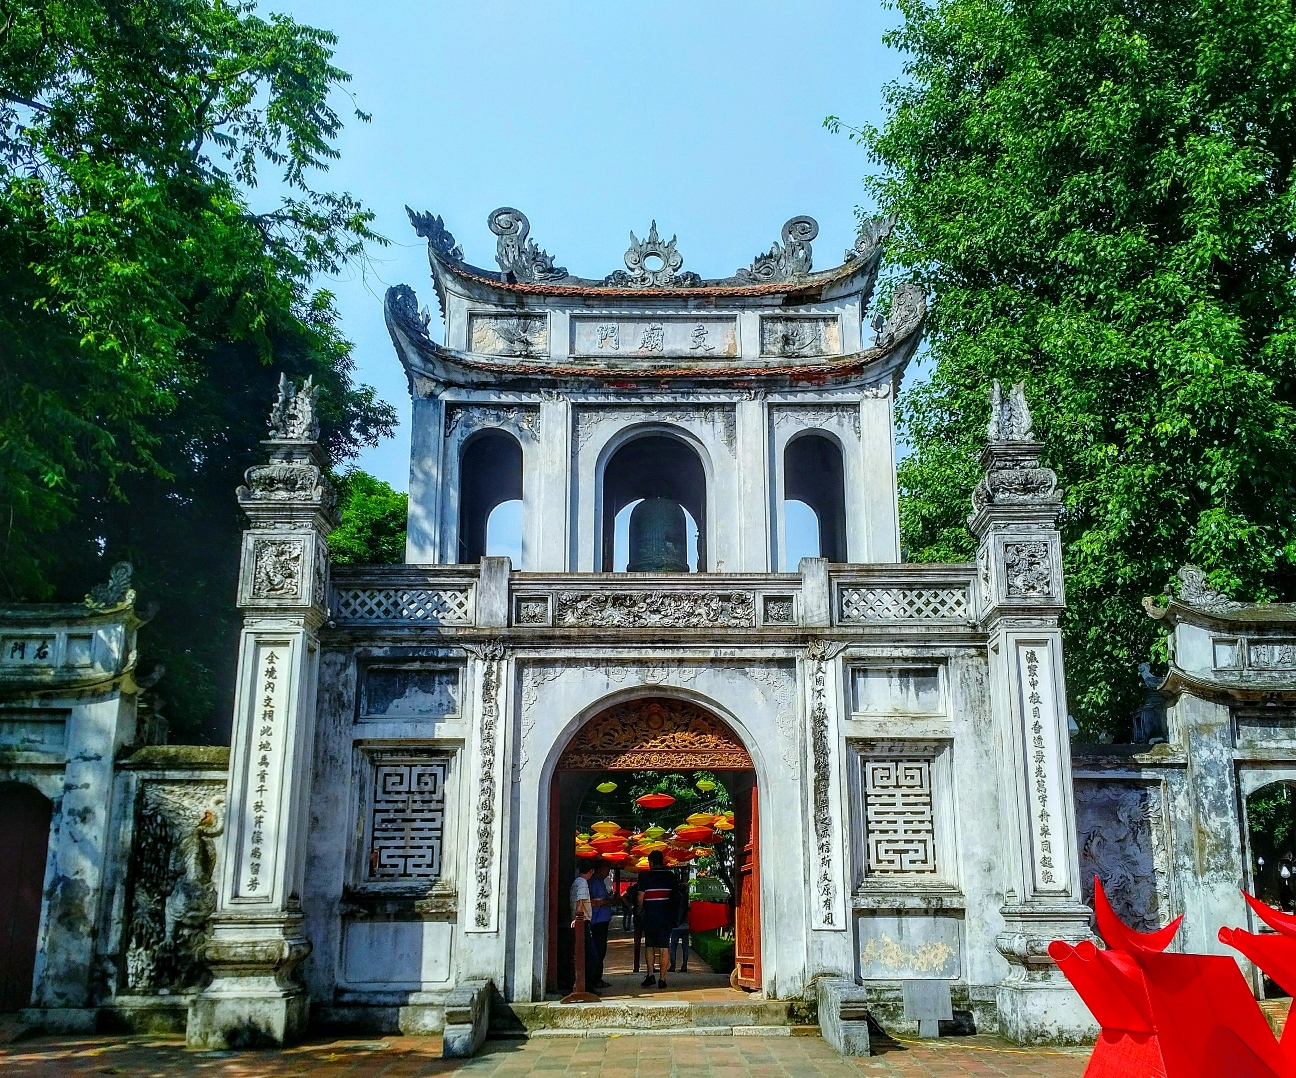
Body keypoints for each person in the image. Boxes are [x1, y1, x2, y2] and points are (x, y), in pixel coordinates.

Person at [637, 850, 682, 989]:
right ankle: (662, 979)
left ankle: (650, 975)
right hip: (666, 917)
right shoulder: (670, 877)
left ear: (650, 862)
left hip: (650, 916)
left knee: (649, 945)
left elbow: (640, 899)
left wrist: (639, 912)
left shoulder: (645, 877)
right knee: (664, 947)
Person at [569, 862, 598, 992]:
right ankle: (587, 986)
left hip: (578, 921)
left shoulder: (576, 882)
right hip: (583, 922)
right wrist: (578, 918)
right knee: (591, 957)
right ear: (591, 871)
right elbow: (580, 901)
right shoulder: (583, 883)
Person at [588, 862, 614, 990]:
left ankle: (596, 978)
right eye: (607, 870)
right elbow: (600, 901)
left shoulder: (597, 881)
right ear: (601, 868)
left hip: (600, 920)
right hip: (598, 920)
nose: (608, 873)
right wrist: (612, 901)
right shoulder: (596, 882)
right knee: (599, 950)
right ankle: (595, 978)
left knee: (600, 949)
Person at [668, 878, 691, 973]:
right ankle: (684, 966)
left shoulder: (674, 898)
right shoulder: (686, 899)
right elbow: (689, 909)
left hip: (675, 926)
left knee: (673, 946)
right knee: (685, 946)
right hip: (685, 926)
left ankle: (672, 965)